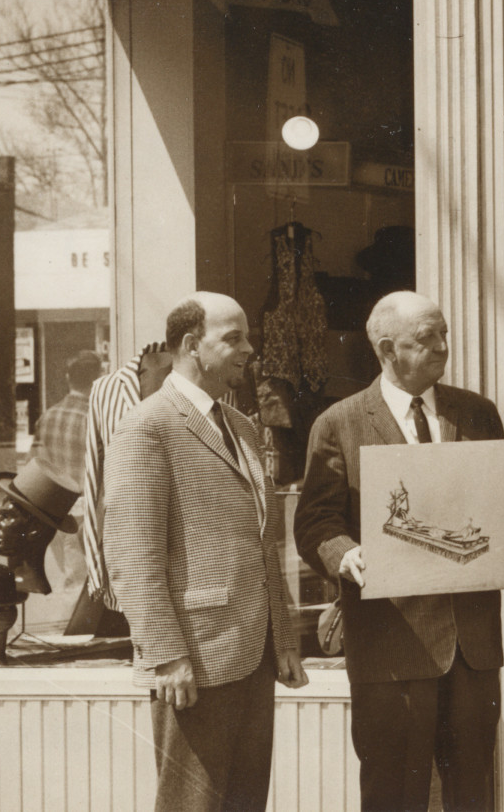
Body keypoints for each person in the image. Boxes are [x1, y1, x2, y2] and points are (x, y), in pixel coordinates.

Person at [295, 291, 504, 812]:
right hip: (390, 645)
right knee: (393, 794)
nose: (442, 347)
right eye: (426, 339)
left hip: (471, 648)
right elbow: (315, 521)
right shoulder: (340, 423)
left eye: (444, 334)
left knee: (472, 793)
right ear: (387, 349)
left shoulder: (478, 413)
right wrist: (347, 555)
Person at [107, 292, 306, 811]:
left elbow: (261, 545)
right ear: (193, 345)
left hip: (252, 655)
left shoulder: (241, 426)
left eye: (247, 337)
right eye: (234, 338)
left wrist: (282, 638)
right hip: (193, 660)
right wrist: (166, 655)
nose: (249, 350)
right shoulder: (147, 426)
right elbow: (132, 556)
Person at [81, 342, 174, 618]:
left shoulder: (204, 383)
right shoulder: (105, 388)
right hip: (129, 543)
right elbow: (93, 476)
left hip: (190, 549)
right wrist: (95, 568)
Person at [34, 350, 102, 494]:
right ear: (97, 380)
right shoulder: (97, 419)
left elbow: (36, 469)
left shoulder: (46, 417)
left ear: (67, 377)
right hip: (86, 503)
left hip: (55, 502)